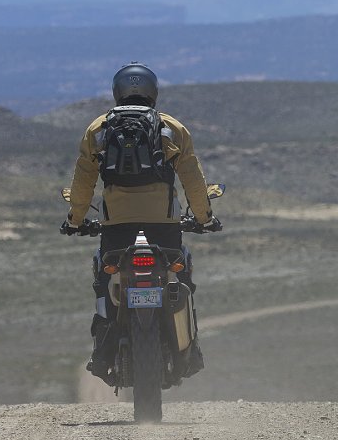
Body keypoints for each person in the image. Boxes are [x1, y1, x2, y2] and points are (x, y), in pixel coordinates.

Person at [62, 62, 220, 382]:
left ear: (117, 92)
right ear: (154, 92)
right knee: (181, 277)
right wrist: (204, 217)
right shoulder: (172, 128)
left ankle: (102, 352)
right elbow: (192, 178)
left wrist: (76, 219)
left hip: (116, 228)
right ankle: (190, 350)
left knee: (105, 281)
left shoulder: (98, 129)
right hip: (164, 227)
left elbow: (83, 182)